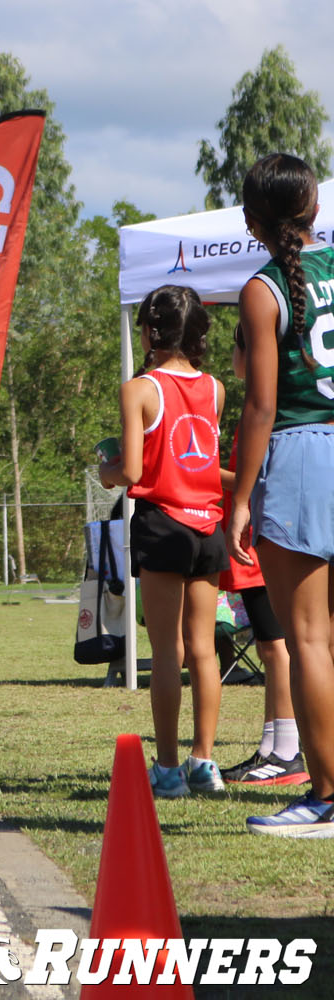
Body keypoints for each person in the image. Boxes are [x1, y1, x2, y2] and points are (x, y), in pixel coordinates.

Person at [227, 152, 334, 837]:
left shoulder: (264, 291)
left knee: (309, 639)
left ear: (252, 222)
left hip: (300, 456)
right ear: (315, 209)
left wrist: (239, 498)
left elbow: (261, 408)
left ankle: (325, 799)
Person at [99, 284, 227, 798]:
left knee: (166, 652)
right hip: (207, 525)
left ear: (151, 332)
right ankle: (205, 763)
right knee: (205, 651)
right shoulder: (216, 388)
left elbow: (131, 470)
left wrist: (106, 471)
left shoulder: (140, 390)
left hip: (162, 524)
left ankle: (169, 770)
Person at [219, 322, 307, 786]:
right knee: (276, 649)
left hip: (262, 539)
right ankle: (274, 747)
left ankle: (288, 752)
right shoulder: (257, 410)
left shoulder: (265, 411)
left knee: (278, 648)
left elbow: (255, 480)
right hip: (257, 542)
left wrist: (205, 474)